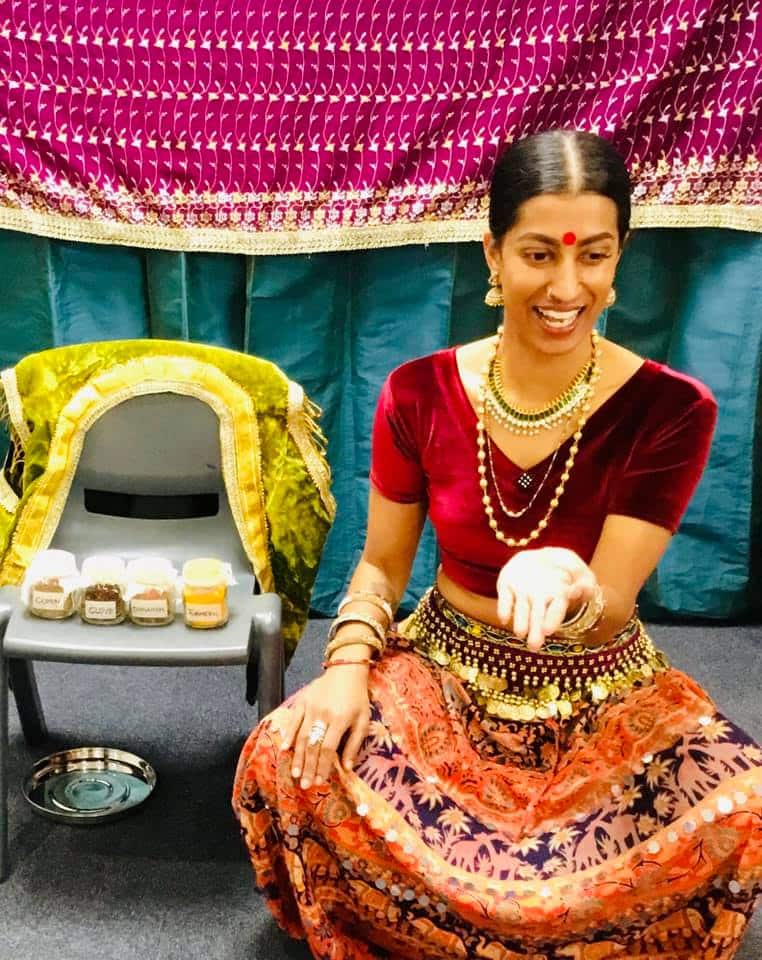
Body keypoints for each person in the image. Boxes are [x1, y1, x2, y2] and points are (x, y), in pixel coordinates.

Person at [233, 129, 762, 959]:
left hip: (595, 687)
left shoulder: (670, 409)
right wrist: (343, 673)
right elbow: (379, 565)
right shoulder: (418, 392)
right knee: (284, 759)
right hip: (442, 667)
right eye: (539, 253)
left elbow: (612, 602)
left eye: (594, 255)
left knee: (735, 808)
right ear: (493, 251)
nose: (566, 284)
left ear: (620, 257)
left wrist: (570, 575)